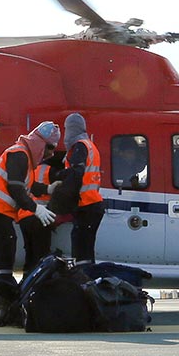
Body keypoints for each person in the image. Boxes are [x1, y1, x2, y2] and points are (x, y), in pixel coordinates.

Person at [0, 121, 59, 326]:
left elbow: (27, 186)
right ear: (41, 144)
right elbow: (16, 189)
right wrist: (36, 208)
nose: (51, 155)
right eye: (50, 148)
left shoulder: (24, 157)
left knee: (3, 253)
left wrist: (47, 190)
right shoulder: (19, 155)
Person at [62, 113, 104, 266]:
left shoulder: (80, 146)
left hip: (86, 206)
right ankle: (88, 280)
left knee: (81, 252)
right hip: (92, 205)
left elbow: (76, 173)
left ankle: (84, 282)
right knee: (86, 251)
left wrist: (63, 195)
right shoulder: (89, 145)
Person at [18, 152, 64, 276]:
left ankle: (26, 282)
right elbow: (61, 190)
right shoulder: (51, 171)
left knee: (30, 253)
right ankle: (39, 285)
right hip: (40, 217)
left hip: (23, 217)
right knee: (41, 255)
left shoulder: (29, 171)